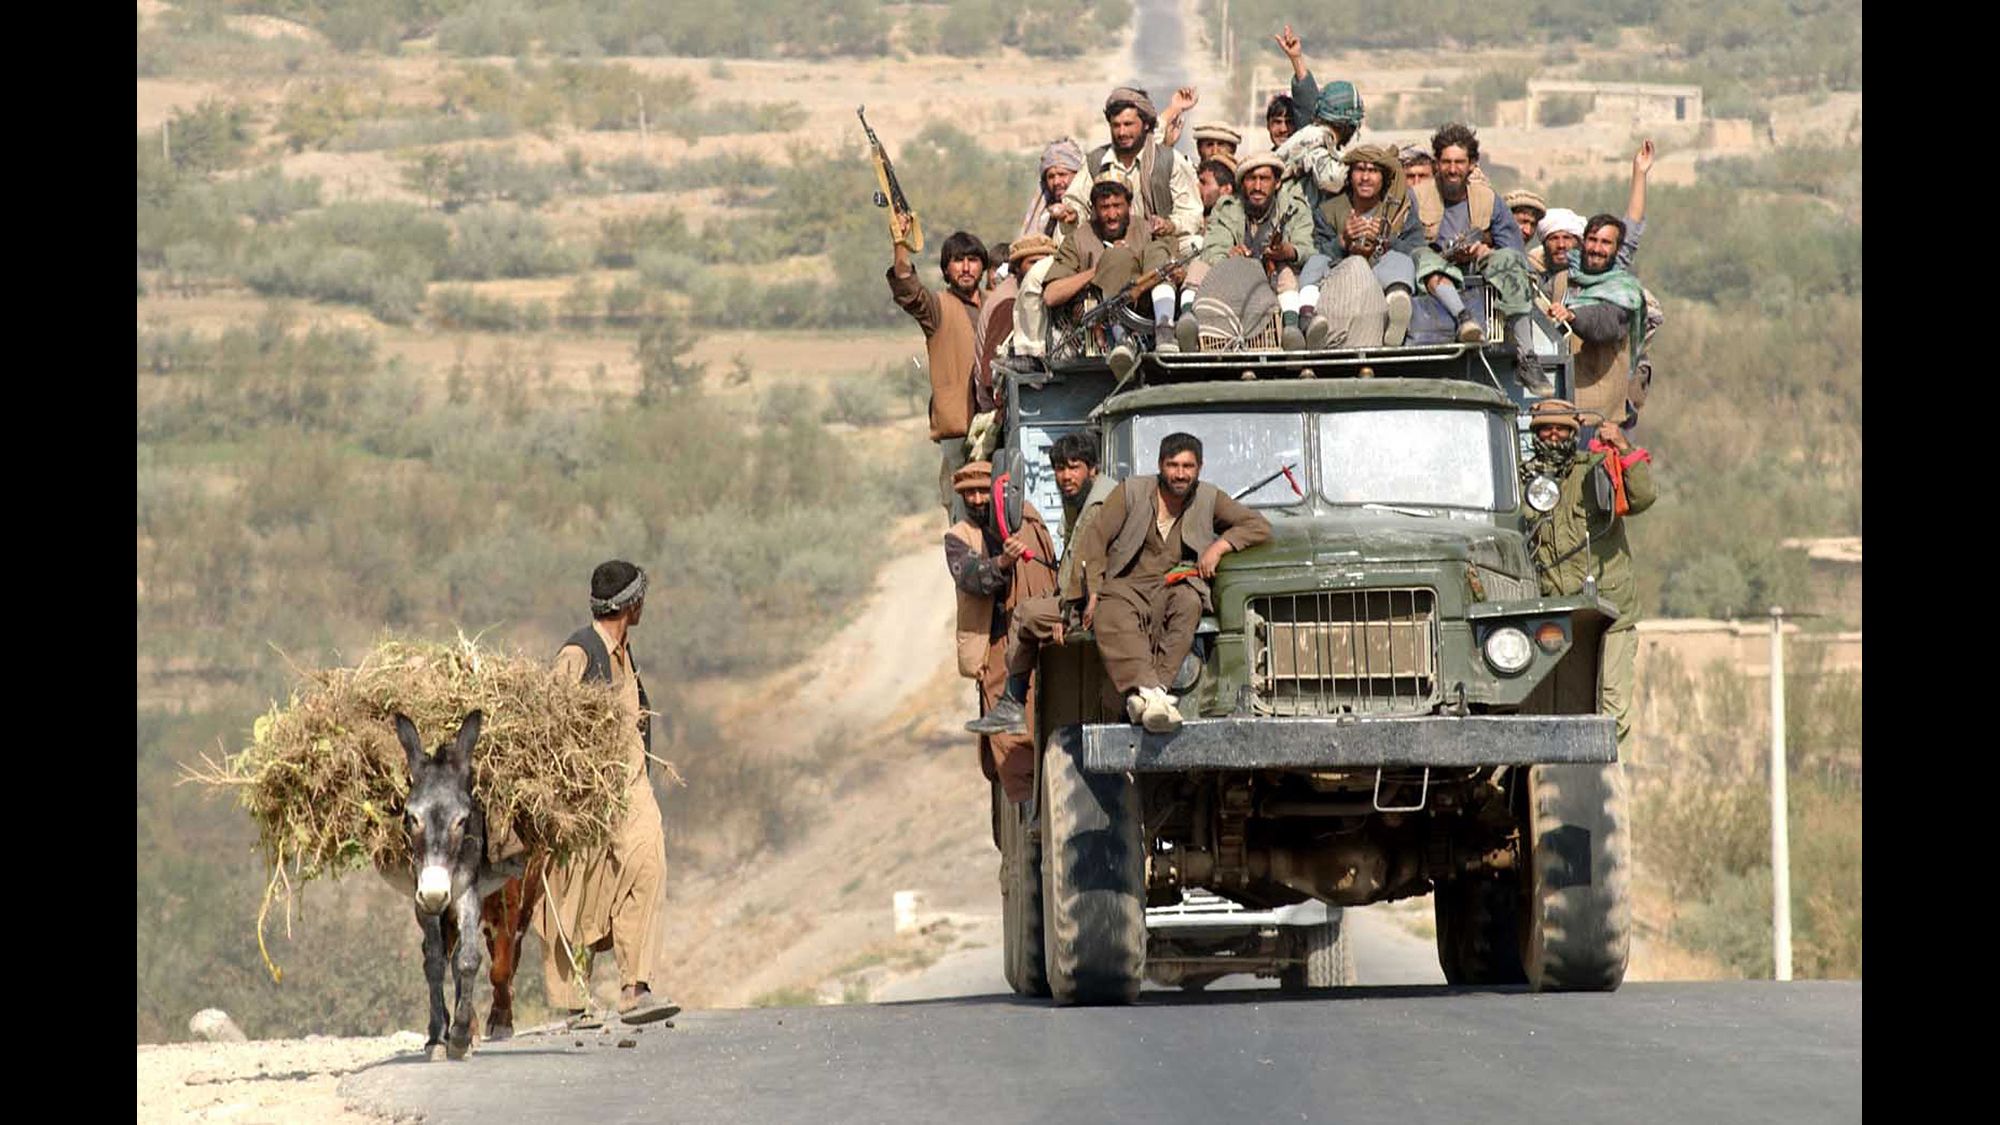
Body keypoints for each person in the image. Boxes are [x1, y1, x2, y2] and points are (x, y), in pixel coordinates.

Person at [534, 561, 680, 1028]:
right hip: (588, 796)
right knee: (577, 888)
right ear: (630, 604)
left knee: (648, 865)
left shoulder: (625, 654)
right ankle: (573, 1001)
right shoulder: (580, 653)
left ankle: (636, 988)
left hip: (632, 790)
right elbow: (551, 722)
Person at [1074, 433, 1272, 734]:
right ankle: (1154, 697)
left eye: (1188, 466)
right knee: (1111, 613)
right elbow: (1095, 539)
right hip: (1126, 584)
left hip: (1172, 585)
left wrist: (1220, 547)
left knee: (1190, 603)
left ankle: (1152, 698)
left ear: (1199, 468)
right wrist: (1093, 592)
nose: (1180, 473)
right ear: (1160, 466)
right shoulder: (1131, 492)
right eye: (1173, 465)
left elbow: (1258, 525)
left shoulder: (1207, 497)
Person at [1519, 400, 1656, 749]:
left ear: (1573, 433)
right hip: (1559, 615)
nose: (1553, 435)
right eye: (1545, 429)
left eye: (1561, 429)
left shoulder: (1596, 469)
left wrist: (1622, 446)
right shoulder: (1524, 482)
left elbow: (1642, 497)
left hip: (1611, 611)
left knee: (1611, 711)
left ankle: (1610, 788)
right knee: (1558, 711)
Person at [966, 431, 1118, 741]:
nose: (1065, 476)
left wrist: (1069, 611)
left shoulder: (1098, 504)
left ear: (1093, 468)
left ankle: (1013, 703)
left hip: (1100, 602)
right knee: (1028, 612)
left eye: (1073, 467)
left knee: (1028, 616)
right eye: (1059, 469)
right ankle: (1012, 703)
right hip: (1082, 595)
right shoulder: (1083, 499)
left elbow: (1096, 565)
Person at [945, 461, 1058, 801]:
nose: (978, 499)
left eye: (983, 491)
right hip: (995, 641)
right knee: (1009, 735)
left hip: (1036, 634)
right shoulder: (958, 538)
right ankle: (1029, 813)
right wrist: (1003, 563)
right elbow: (972, 578)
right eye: (970, 494)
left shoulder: (1026, 522)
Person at [1408, 123, 1548, 392]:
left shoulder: (1488, 200)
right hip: (1433, 271)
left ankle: (1528, 358)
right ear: (1436, 164)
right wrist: (1443, 252)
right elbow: (1407, 243)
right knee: (1423, 258)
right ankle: (1464, 320)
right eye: (1446, 162)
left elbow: (1514, 249)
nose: (1452, 169)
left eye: (1459, 162)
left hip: (1475, 268)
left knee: (1509, 263)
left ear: (1472, 164)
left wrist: (1485, 249)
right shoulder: (1418, 197)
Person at [889, 218, 987, 518]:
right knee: (964, 509)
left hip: (997, 420)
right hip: (959, 426)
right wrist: (901, 244)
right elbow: (908, 290)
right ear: (947, 269)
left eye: (973, 260)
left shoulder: (996, 305)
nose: (966, 267)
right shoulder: (938, 308)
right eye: (958, 261)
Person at [1174, 153, 1316, 351]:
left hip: (1274, 282)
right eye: (1251, 179)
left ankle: (1291, 329)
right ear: (1242, 184)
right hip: (1232, 282)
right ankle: (1187, 320)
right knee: (1198, 266)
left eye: (1264, 179)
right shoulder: (1227, 209)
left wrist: (1287, 251)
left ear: (1276, 183)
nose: (1257, 186)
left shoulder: (1295, 208)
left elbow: (1308, 249)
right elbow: (1213, 249)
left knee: (1286, 272)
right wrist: (1229, 256)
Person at [1043, 177, 1177, 370]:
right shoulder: (1079, 239)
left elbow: (1174, 269)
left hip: (1148, 318)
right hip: (1099, 329)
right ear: (1094, 210)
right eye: (1104, 207)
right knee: (1117, 257)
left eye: (1117, 206)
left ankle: (1166, 329)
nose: (1112, 215)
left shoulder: (1148, 231)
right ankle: (1121, 340)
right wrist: (1101, 270)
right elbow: (1051, 295)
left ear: (1129, 205)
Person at [1058, 87, 1203, 258]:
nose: (1122, 132)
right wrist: (1072, 215)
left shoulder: (1169, 160)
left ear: (1146, 124)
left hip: (1160, 245)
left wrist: (1170, 225)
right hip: (1106, 249)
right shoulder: (1096, 161)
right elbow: (1077, 203)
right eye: (1116, 125)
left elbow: (1191, 214)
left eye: (1128, 124)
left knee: (1197, 245)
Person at [1306, 143, 1424, 348]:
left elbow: (1418, 252)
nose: (1365, 178)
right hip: (1342, 291)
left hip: (1383, 284)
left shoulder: (1399, 213)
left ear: (1384, 178)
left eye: (1373, 171)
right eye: (1360, 170)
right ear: (1350, 175)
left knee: (1401, 261)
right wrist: (1343, 241)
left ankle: (1396, 308)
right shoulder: (1328, 211)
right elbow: (1316, 254)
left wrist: (1386, 240)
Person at [1544, 214, 1649, 430]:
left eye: (1606, 242)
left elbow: (1606, 323)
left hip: (1598, 417)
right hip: (1556, 411)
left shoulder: (1623, 291)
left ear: (1617, 249)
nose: (1596, 248)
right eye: (1592, 240)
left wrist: (1573, 316)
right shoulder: (1561, 281)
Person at [1005, 234, 1061, 360]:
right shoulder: (1008, 304)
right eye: (1034, 263)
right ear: (1017, 268)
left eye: (1045, 262)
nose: (1041, 269)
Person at [1020, 138, 1084, 240]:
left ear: (1077, 175)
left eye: (1062, 174)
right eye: (1051, 176)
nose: (1056, 182)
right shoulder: (1043, 217)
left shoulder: (1092, 208)